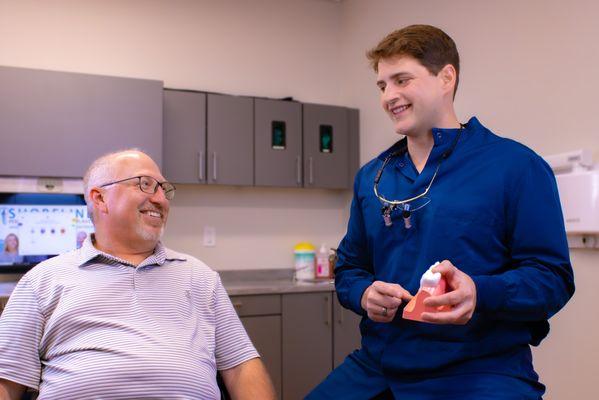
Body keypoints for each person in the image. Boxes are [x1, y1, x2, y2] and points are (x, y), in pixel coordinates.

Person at [307, 25, 575, 399]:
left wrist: (480, 292)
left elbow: (552, 278)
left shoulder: (515, 166)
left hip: (481, 369)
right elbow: (350, 268)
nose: (389, 96)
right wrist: (365, 293)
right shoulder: (372, 177)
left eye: (402, 80)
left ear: (446, 77)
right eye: (382, 85)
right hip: (379, 366)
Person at [0, 150, 276, 399]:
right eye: (145, 184)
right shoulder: (42, 280)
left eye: (164, 189)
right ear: (100, 198)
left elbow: (242, 367)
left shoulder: (200, 277)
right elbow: (6, 381)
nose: (160, 199)